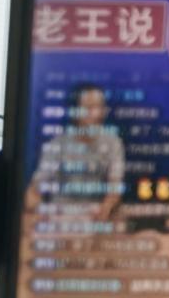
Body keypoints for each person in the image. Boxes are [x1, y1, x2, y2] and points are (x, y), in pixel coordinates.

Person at [29, 81, 124, 221]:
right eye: (89, 108)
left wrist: (106, 208)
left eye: (100, 107)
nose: (96, 114)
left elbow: (115, 188)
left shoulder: (113, 143)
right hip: (60, 219)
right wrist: (34, 211)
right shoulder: (57, 144)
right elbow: (36, 189)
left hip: (96, 218)